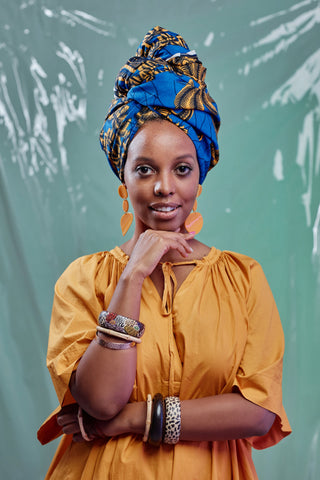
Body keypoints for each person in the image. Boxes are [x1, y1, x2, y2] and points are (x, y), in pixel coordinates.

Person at [38, 26, 291, 479]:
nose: (163, 187)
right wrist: (132, 275)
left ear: (199, 177)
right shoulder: (83, 279)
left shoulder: (244, 278)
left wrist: (137, 419)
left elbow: (258, 411)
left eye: (181, 169)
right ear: (124, 179)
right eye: (144, 169)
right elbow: (100, 400)